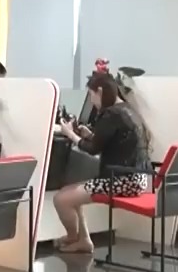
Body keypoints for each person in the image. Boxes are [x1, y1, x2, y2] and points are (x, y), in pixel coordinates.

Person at [52, 71, 152, 253]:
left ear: (99, 91)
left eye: (91, 95)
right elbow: (111, 143)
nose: (92, 101)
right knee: (71, 192)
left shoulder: (111, 114)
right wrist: (90, 135)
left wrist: (70, 134)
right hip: (137, 179)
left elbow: (92, 150)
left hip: (121, 181)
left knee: (61, 199)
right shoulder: (127, 109)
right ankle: (84, 240)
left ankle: (72, 237)